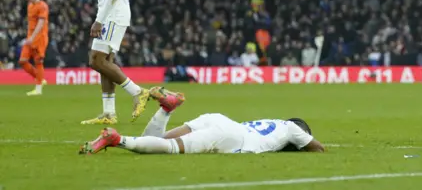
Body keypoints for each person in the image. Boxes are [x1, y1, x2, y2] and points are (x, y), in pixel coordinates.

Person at [79, 87, 325, 155]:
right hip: (231, 137)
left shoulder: (275, 123)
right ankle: (116, 139)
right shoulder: (292, 128)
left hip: (220, 120)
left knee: (154, 140)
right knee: (169, 149)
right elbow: (317, 146)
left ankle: (166, 109)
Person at [81, 0, 150, 125]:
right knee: (105, 62)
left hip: (112, 15)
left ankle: (138, 92)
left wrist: (99, 20)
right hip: (111, 14)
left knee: (96, 60)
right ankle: (109, 113)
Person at [19, 0, 49, 96]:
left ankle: (38, 90)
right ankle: (40, 78)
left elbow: (41, 23)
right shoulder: (30, 6)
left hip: (39, 38)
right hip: (30, 38)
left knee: (38, 62)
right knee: (22, 61)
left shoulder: (43, 6)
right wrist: (29, 37)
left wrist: (33, 37)